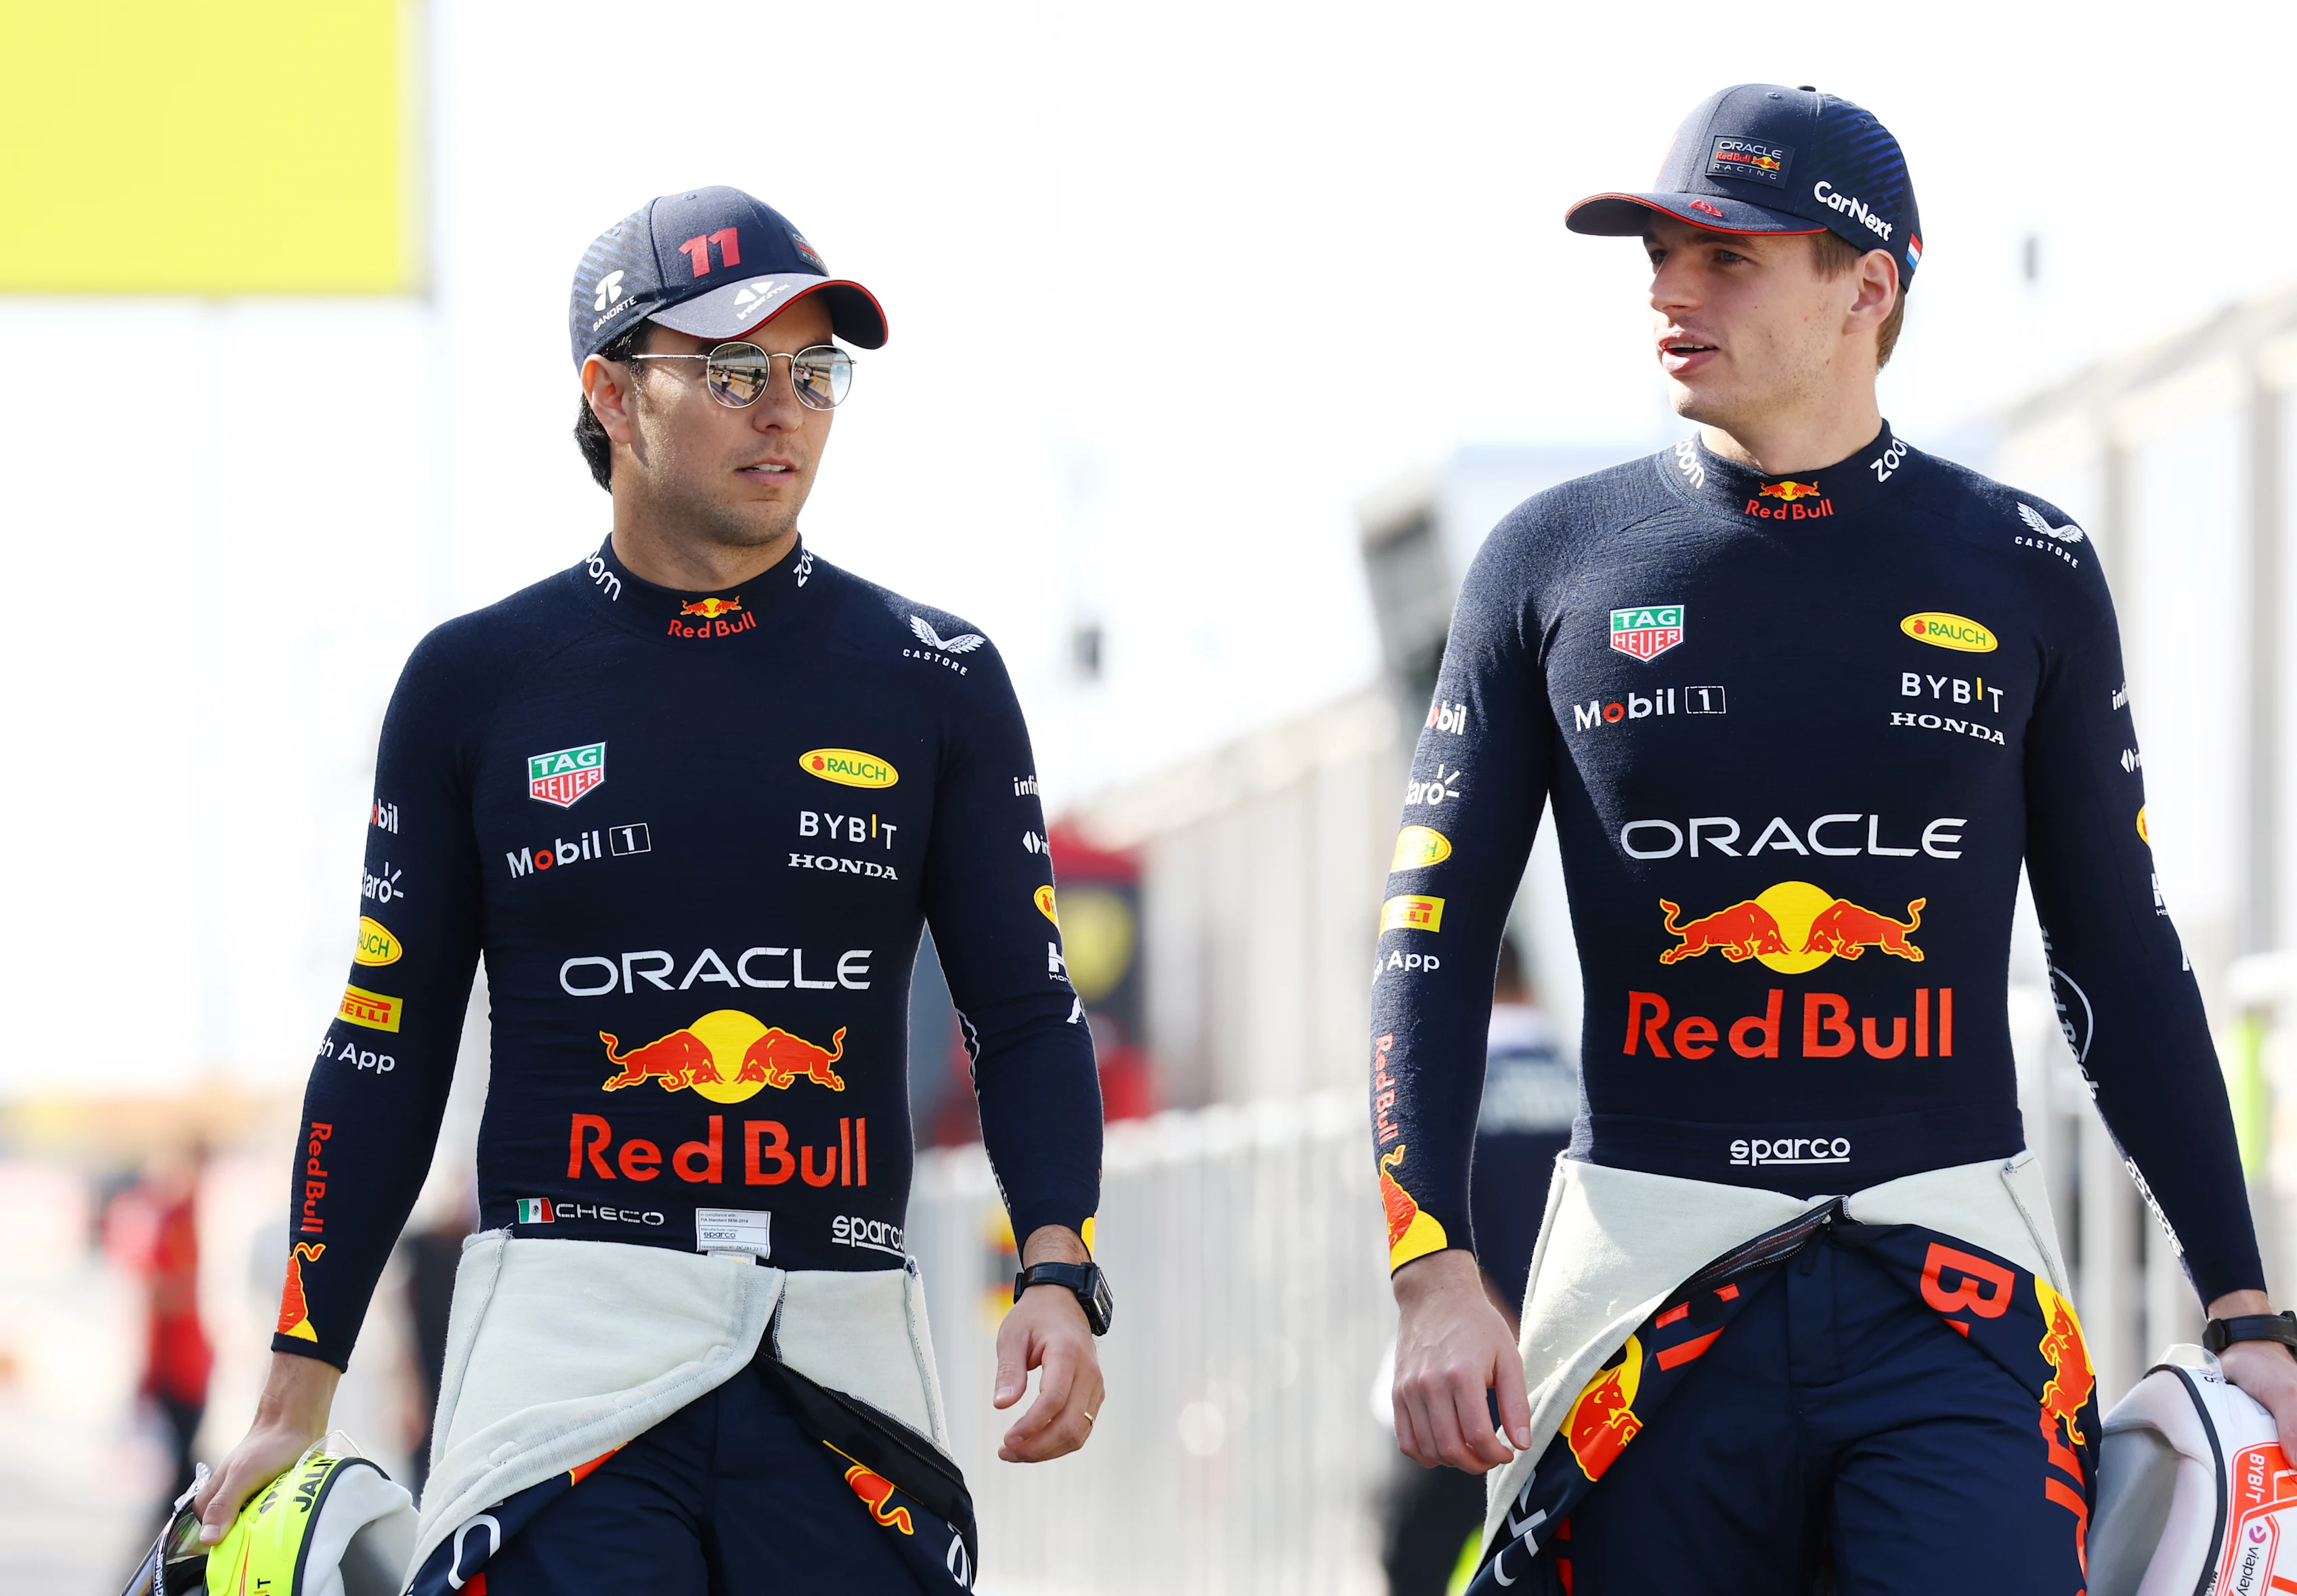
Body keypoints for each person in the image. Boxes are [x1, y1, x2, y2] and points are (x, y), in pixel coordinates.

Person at [1371, 85, 2297, 1593]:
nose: (1671, 289)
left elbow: (2116, 956)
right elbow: (1427, 942)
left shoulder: (2024, 564)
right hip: (1642, 1289)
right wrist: (1433, 1267)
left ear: (1867, 286)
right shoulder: (1545, 559)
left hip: (1952, 1291)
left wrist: (2242, 1301)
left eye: (1726, 257)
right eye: (1658, 253)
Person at [194, 186, 1113, 1594]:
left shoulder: (936, 675)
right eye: (735, 371)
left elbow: (1028, 1012)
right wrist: (294, 1386)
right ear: (611, 397)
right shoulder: (475, 683)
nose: (784, 410)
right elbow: (384, 1043)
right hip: (566, 1349)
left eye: (816, 373)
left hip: (842, 1348)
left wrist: (1056, 1261)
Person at [1379, 936, 1576, 1596]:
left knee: (1417, 1559)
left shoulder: (1433, 1098)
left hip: (1466, 1372)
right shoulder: (1584, 1082)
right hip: (1586, 1370)